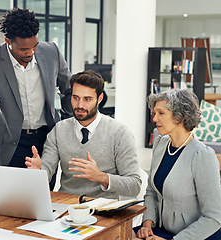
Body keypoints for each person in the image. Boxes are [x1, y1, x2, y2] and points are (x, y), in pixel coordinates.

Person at [0, 8, 72, 189]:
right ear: (7, 41)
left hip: (48, 139)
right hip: (13, 142)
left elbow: (68, 89)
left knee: (44, 194)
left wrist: (67, 126)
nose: (31, 52)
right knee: (13, 198)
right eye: (23, 49)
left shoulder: (51, 52)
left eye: (34, 46)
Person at [25, 70, 141, 199]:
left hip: (104, 210)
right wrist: (38, 173)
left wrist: (101, 177)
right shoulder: (59, 130)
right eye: (75, 98)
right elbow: (47, 168)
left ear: (100, 99)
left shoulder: (120, 133)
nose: (80, 105)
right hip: (66, 205)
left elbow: (134, 186)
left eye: (87, 99)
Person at [133, 89, 221, 240]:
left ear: (180, 117)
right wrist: (147, 225)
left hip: (193, 236)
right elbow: (151, 192)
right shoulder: (160, 143)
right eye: (154, 113)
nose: (154, 119)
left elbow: (213, 217)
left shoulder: (202, 155)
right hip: (162, 228)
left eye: (161, 113)